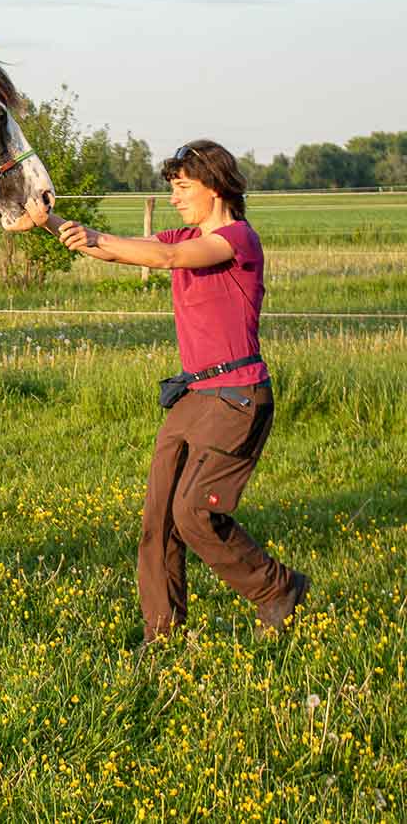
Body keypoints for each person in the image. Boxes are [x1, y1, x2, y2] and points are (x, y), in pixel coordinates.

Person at [40, 139, 309, 644]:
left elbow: (168, 257)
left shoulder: (237, 239)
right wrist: (48, 222)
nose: (175, 197)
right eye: (172, 188)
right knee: (159, 516)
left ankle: (277, 589)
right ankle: (160, 633)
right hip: (192, 396)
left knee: (195, 512)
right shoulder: (184, 232)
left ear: (216, 185)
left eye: (183, 187)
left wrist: (94, 235)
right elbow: (116, 249)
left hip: (237, 397)